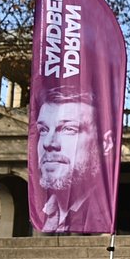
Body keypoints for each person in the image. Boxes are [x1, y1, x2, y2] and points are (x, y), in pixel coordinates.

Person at [32, 87, 115, 233]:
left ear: (106, 143)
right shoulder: (42, 212)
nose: (48, 143)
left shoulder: (107, 210)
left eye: (68, 129)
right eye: (43, 130)